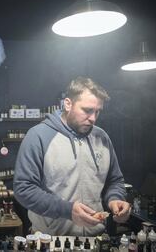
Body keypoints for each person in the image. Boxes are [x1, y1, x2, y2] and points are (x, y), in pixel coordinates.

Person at [13, 77, 130, 236]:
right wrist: (67, 210)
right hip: (51, 240)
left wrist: (115, 199)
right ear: (68, 104)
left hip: (96, 239)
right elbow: (23, 188)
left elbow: (114, 181)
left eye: (97, 111)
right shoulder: (38, 136)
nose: (93, 118)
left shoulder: (102, 137)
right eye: (87, 110)